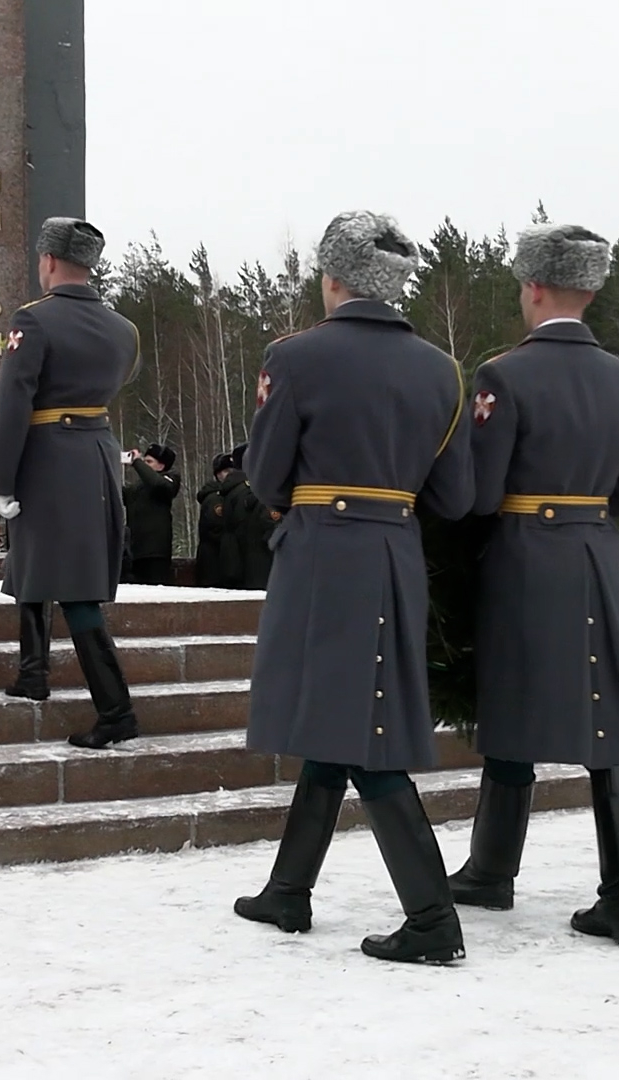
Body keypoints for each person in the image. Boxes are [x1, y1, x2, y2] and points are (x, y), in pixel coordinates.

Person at [232, 211, 475, 964]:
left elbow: (265, 472)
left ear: (333, 277)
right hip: (393, 551)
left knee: (362, 733)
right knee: (342, 718)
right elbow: (456, 496)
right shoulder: (442, 369)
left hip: (322, 554)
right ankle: (288, 889)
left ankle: (433, 920)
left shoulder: (296, 356)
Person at [443, 224, 619, 946]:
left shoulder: (503, 375)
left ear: (532, 287)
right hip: (597, 553)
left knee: (511, 704)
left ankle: (491, 870)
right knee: (611, 715)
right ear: (592, 292)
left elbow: (478, 493)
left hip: (522, 553)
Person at [0, 217, 144, 751]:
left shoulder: (35, 320)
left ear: (48, 261)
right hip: (96, 454)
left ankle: (116, 711)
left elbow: (13, 405)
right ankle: (33, 675)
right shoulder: (124, 330)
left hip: (48, 457)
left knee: (73, 589)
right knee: (32, 563)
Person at [122, 443, 180, 585]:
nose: (144, 465)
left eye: (149, 462)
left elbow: (159, 484)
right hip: (135, 552)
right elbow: (121, 495)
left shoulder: (169, 480)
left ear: (161, 466)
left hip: (155, 553)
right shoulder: (138, 488)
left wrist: (137, 462)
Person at [230, 443, 278, 590]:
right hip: (264, 564)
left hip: (244, 562)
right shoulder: (264, 494)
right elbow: (271, 529)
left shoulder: (236, 491)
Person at [193, 452, 243, 588]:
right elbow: (216, 528)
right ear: (217, 474)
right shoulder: (215, 498)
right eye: (226, 471)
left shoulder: (229, 495)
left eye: (233, 471)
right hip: (214, 563)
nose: (230, 475)